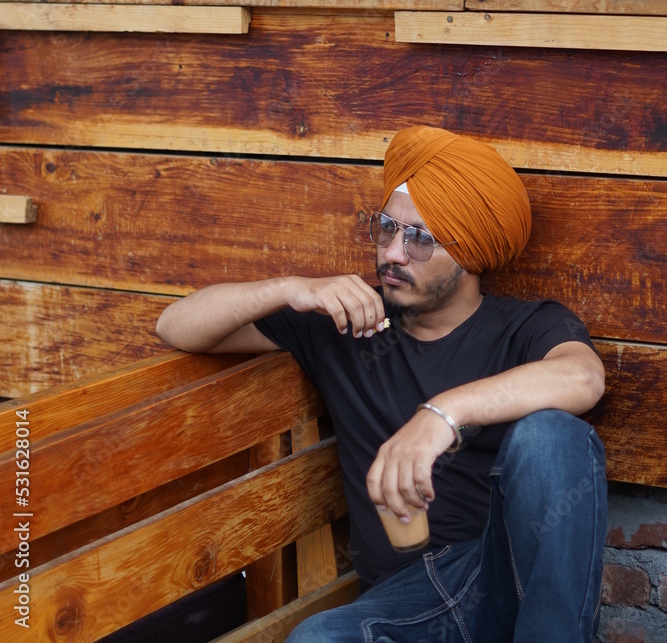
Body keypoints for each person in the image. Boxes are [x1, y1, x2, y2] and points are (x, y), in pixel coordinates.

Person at [156, 125, 607, 643]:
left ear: (471, 253)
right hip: (405, 602)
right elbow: (176, 326)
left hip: (501, 574)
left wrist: (439, 415)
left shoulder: (525, 327)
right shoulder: (347, 321)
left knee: (552, 435)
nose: (393, 253)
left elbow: (583, 376)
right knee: (316, 639)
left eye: (418, 239)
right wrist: (290, 289)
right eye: (387, 229)